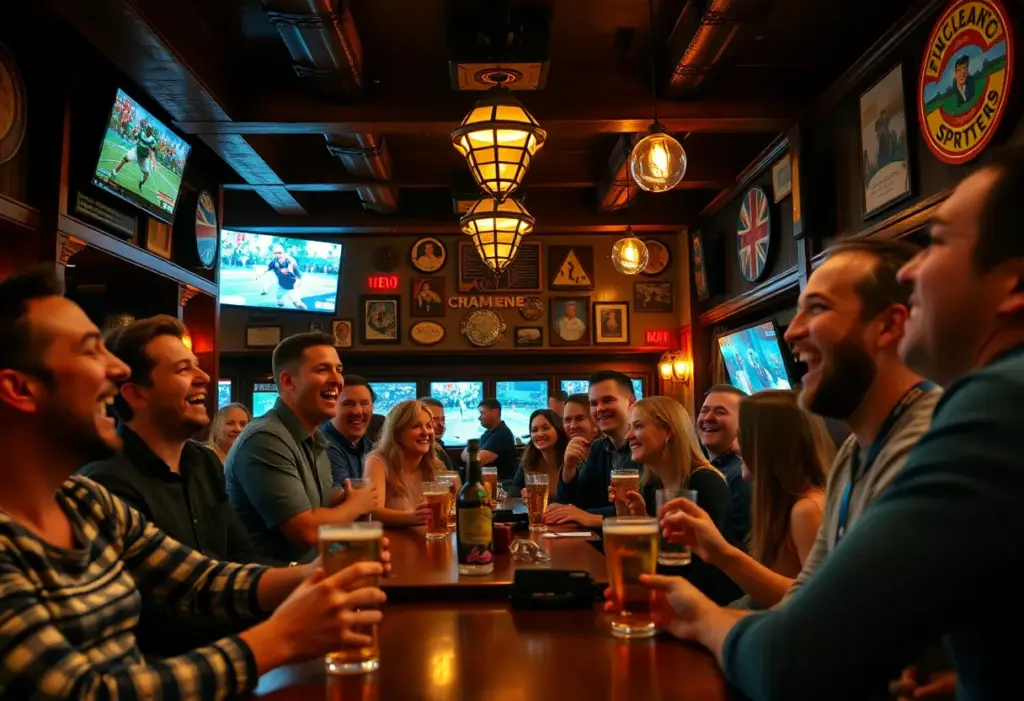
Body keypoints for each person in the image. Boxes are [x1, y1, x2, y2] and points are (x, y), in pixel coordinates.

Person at [627, 149, 1024, 699]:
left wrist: (702, 618)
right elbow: (804, 604)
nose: (792, 334)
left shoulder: (980, 412)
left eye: (935, 241)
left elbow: (795, 661)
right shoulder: (856, 454)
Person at [0, 265, 387, 698]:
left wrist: (322, 575)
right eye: (91, 351)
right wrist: (282, 638)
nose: (115, 369)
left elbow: (204, 581)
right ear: (21, 389)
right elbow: (89, 693)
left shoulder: (85, 502)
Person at [80, 316, 278, 654]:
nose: (204, 378)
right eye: (184, 370)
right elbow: (161, 617)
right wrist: (280, 627)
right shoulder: (106, 482)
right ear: (136, 393)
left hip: (236, 644)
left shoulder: (202, 462)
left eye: (198, 367)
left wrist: (312, 586)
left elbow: (243, 554)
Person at [663, 390, 833, 609]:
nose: (736, 446)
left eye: (743, 436)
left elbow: (819, 603)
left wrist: (721, 553)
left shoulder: (807, 510)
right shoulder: (780, 506)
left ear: (770, 444)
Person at [226, 333, 376, 562]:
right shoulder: (265, 438)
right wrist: (357, 504)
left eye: (339, 369)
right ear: (288, 382)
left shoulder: (315, 439)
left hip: (312, 576)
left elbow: (319, 508)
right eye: (323, 369)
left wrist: (343, 499)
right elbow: (306, 532)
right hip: (273, 589)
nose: (337, 379)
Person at [610, 396, 739, 604]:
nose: (629, 436)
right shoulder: (652, 486)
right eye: (629, 428)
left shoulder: (705, 482)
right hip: (673, 597)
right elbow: (651, 561)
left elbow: (704, 569)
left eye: (638, 426)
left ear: (668, 432)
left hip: (713, 606)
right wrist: (631, 517)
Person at [550, 371, 639, 528]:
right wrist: (569, 467)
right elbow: (574, 503)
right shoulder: (599, 448)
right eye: (593, 403)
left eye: (608, 400)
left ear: (631, 402)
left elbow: (642, 511)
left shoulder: (643, 446)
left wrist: (588, 515)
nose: (599, 409)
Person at [364, 400, 439, 527]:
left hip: (426, 542)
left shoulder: (436, 464)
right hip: (391, 543)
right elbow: (373, 513)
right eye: (416, 426)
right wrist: (413, 518)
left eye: (429, 426)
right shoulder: (377, 461)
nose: (425, 432)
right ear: (397, 433)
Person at [696, 385, 752, 549]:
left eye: (720, 412)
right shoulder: (704, 467)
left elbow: (736, 548)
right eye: (704, 410)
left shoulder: (743, 476)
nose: (708, 418)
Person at [321, 374, 376, 487]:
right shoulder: (321, 446)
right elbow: (346, 497)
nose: (358, 411)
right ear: (331, 407)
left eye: (364, 403)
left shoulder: (370, 446)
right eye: (348, 404)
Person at [509, 408, 568, 498]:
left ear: (558, 430)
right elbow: (515, 488)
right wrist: (522, 492)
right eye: (534, 430)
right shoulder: (529, 458)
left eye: (545, 428)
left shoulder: (570, 459)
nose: (539, 434)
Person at [460, 398, 517, 482]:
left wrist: (469, 450)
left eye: (482, 413)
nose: (479, 417)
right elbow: (468, 455)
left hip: (498, 485)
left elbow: (478, 459)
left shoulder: (502, 434)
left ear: (495, 412)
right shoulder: (488, 433)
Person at [255, 245, 307, 310]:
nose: (278, 255)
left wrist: (298, 283)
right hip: (281, 286)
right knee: (279, 300)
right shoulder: (273, 262)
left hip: (292, 287)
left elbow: (300, 276)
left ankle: (308, 313)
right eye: (276, 253)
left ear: (283, 252)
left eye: (279, 253)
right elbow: (266, 269)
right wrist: (259, 274)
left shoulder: (290, 262)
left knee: (298, 304)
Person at [112, 121, 158, 192]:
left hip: (143, 158)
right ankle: (114, 172)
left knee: (147, 173)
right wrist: (134, 132)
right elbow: (135, 137)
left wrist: (153, 161)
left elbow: (153, 151)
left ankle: (141, 182)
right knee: (124, 160)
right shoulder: (141, 133)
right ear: (146, 128)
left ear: (151, 131)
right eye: (147, 128)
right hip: (136, 151)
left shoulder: (153, 140)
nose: (148, 130)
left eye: (149, 129)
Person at [420, 396, 457, 473]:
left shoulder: (438, 444)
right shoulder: (423, 450)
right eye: (434, 420)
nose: (441, 425)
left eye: (442, 419)